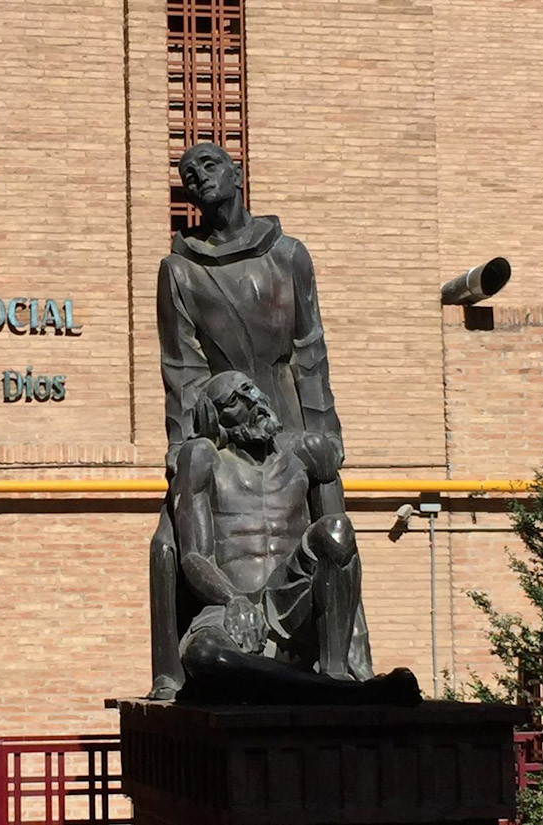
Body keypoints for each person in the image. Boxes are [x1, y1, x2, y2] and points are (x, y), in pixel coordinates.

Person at [149, 142, 371, 699]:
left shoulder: (288, 254)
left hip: (290, 416)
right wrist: (189, 442)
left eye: (209, 166)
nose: (197, 178)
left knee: (332, 521)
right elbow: (182, 365)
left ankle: (349, 666)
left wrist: (323, 431)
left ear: (238, 173)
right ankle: (174, 671)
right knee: (173, 538)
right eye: (187, 174)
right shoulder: (180, 270)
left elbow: (309, 347)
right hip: (219, 419)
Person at [172, 372, 419, 704]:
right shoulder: (203, 457)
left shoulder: (307, 453)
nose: (252, 402)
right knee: (206, 658)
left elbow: (341, 548)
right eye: (234, 402)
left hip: (292, 599)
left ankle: (335, 675)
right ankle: (346, 695)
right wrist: (234, 601)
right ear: (217, 421)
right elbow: (194, 557)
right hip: (230, 604)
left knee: (335, 529)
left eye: (250, 389)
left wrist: (359, 653)